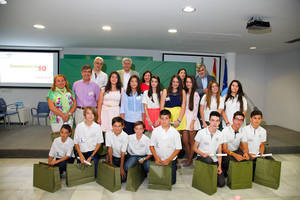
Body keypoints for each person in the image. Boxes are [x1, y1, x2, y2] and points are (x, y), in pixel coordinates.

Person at [193, 111, 225, 187]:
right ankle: (206, 176)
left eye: (217, 121)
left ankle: (211, 175)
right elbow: (194, 148)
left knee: (221, 183)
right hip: (202, 158)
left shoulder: (220, 134)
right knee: (208, 160)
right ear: (209, 121)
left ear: (219, 122)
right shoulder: (201, 132)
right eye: (213, 120)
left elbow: (219, 152)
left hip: (214, 160)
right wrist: (202, 154)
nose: (214, 123)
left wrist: (219, 166)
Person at [150, 109, 182, 185]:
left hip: (170, 160)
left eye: (166, 118)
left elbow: (178, 148)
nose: (164, 121)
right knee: (157, 181)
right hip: (159, 159)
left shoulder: (175, 133)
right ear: (160, 119)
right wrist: (157, 158)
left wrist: (168, 160)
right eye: (162, 118)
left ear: (170, 119)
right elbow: (151, 146)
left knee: (171, 182)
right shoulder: (155, 131)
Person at [74, 106, 103, 177]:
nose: (90, 116)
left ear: (95, 115)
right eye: (88, 113)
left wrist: (91, 157)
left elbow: (99, 143)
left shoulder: (97, 127)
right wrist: (80, 155)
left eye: (92, 114)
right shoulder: (79, 126)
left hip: (92, 152)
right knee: (80, 174)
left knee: (94, 175)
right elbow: (76, 142)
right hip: (81, 152)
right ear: (84, 115)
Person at [221, 111, 249, 177]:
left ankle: (240, 175)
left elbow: (245, 146)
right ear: (233, 120)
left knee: (248, 158)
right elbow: (224, 149)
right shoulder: (226, 130)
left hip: (236, 151)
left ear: (243, 122)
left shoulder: (243, 130)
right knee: (232, 160)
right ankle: (226, 171)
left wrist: (245, 153)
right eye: (237, 119)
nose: (238, 122)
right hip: (226, 153)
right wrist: (235, 155)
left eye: (241, 120)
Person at [182, 75, 201, 166]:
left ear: (193, 83)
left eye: (190, 82)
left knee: (191, 141)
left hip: (192, 119)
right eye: (187, 82)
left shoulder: (196, 94)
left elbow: (196, 109)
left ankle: (189, 159)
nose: (188, 84)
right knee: (185, 141)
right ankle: (190, 156)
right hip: (184, 119)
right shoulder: (184, 93)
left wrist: (193, 122)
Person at [106, 117, 128, 181]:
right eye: (115, 126)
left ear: (122, 126)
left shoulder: (125, 136)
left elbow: (123, 152)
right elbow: (110, 149)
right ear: (112, 126)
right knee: (111, 176)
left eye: (119, 126)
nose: (117, 128)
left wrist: (121, 168)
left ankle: (122, 168)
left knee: (121, 179)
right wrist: (111, 163)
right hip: (113, 156)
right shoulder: (108, 134)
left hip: (123, 157)